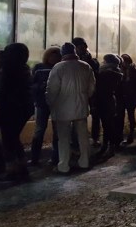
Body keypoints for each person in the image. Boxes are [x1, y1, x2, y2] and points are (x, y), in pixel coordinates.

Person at [46, 42, 96, 174]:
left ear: (63, 53)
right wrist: (84, 98)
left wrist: (51, 103)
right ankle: (84, 161)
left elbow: (52, 89)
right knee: (83, 135)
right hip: (81, 107)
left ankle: (63, 165)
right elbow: (91, 88)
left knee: (63, 138)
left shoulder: (58, 68)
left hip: (62, 109)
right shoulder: (86, 66)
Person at [0, 43, 34, 181]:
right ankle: (22, 167)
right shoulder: (24, 69)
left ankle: (12, 170)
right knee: (14, 138)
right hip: (23, 109)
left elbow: (2, 92)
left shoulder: (8, 70)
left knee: (8, 140)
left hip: (9, 109)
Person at [29, 47, 62, 166]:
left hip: (57, 103)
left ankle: (55, 157)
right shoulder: (39, 68)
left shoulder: (61, 68)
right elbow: (32, 84)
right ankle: (34, 158)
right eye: (53, 56)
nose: (55, 58)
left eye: (57, 56)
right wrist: (40, 87)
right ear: (47, 56)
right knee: (39, 130)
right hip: (42, 103)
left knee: (57, 131)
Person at [72, 37, 100, 146]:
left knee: (95, 114)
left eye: (84, 46)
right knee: (77, 116)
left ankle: (95, 137)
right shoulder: (72, 61)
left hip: (91, 91)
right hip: (78, 91)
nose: (83, 49)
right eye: (80, 47)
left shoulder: (92, 61)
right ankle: (77, 140)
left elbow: (96, 75)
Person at [95, 54, 123, 158]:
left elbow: (99, 87)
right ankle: (108, 145)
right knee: (109, 125)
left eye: (104, 60)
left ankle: (108, 146)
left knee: (107, 125)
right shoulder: (118, 73)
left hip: (104, 101)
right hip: (112, 101)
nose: (102, 62)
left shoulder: (105, 73)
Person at [120, 54, 136, 145]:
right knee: (122, 116)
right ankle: (123, 136)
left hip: (130, 97)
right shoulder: (123, 70)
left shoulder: (133, 71)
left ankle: (131, 135)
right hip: (124, 96)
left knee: (130, 116)